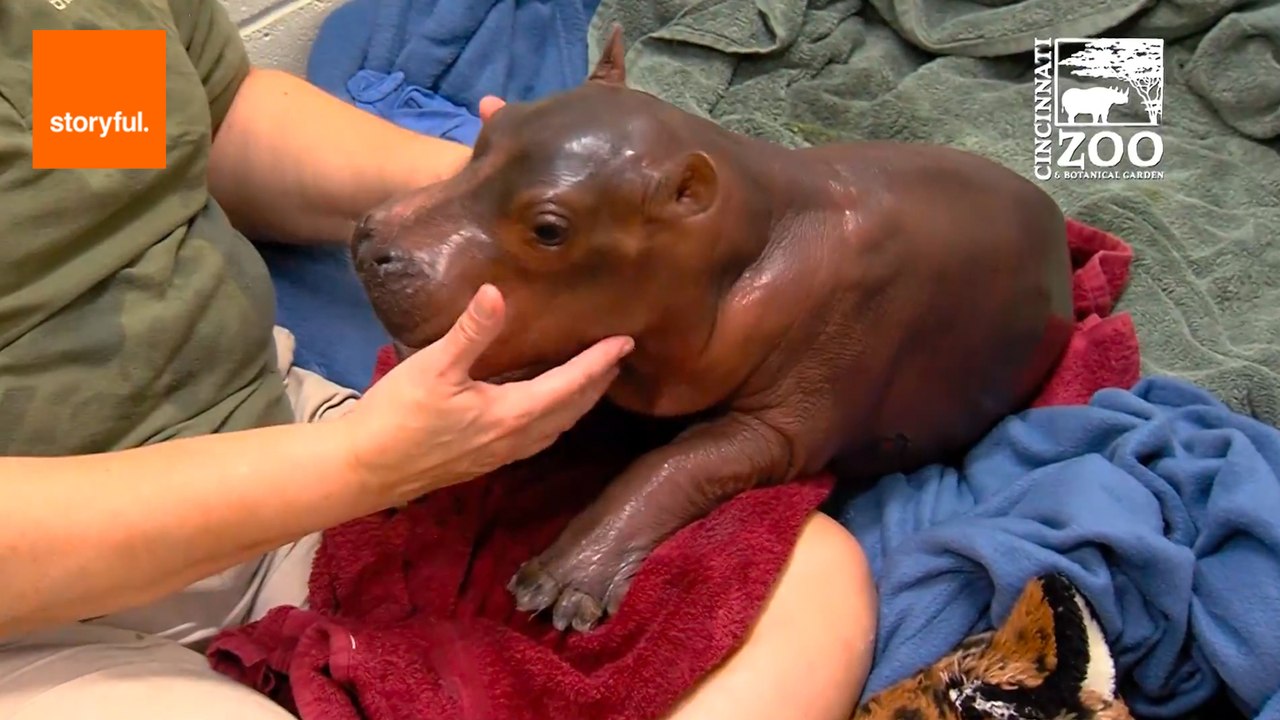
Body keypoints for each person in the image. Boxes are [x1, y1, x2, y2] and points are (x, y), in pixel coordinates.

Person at [0, 1, 878, 718]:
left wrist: (511, 197)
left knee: (803, 589)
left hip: (282, 451)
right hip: (43, 620)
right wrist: (354, 465)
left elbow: (183, 127)